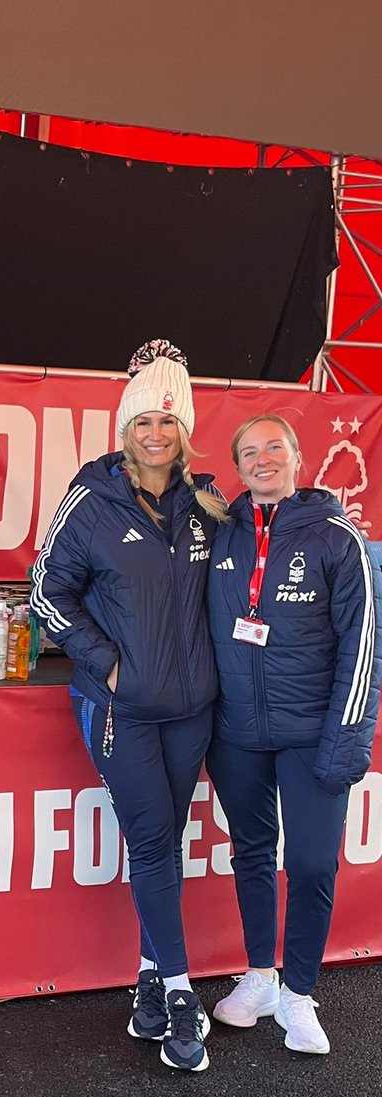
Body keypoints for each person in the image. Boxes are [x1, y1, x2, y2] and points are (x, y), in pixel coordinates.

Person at [31, 339, 227, 1072]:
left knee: (163, 843)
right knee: (150, 842)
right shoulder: (91, 498)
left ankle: (148, 984)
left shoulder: (207, 505)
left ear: (185, 431)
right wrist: (106, 664)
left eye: (169, 423)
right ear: (125, 429)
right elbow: (47, 590)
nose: (156, 434)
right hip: (123, 710)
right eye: (144, 421)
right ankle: (179, 992)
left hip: (193, 710)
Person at [205, 415, 381, 1054]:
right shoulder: (222, 536)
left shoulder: (339, 538)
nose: (261, 460)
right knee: (251, 852)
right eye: (248, 452)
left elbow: (364, 646)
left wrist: (345, 741)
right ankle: (259, 977)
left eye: (273, 447)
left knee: (310, 862)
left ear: (298, 457)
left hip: (313, 734)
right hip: (239, 733)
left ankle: (300, 994)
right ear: (239, 467)